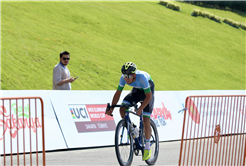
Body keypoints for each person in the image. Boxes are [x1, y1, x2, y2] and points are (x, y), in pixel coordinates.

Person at [106, 62, 155, 161]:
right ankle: (132, 128)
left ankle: (147, 147)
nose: (126, 78)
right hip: (136, 91)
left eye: (128, 76)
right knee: (122, 109)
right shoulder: (123, 78)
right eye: (124, 75)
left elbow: (149, 96)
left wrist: (141, 108)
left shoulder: (141, 78)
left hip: (147, 93)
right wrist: (112, 108)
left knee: (146, 120)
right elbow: (118, 93)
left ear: (134, 75)